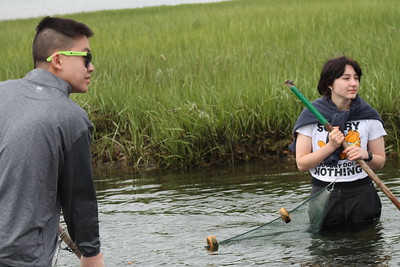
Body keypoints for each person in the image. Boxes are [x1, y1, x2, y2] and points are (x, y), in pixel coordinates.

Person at [0, 17, 105, 266]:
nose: (91, 68)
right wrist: (91, 255)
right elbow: (79, 200)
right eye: (86, 58)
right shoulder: (71, 118)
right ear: (58, 60)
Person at [290, 56, 386, 232]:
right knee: (327, 255)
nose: (353, 83)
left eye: (356, 78)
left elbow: (379, 162)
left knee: (368, 252)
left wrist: (366, 154)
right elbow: (302, 164)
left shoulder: (368, 116)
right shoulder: (311, 116)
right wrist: (331, 146)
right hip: (324, 198)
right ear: (330, 83)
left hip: (362, 195)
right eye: (346, 78)